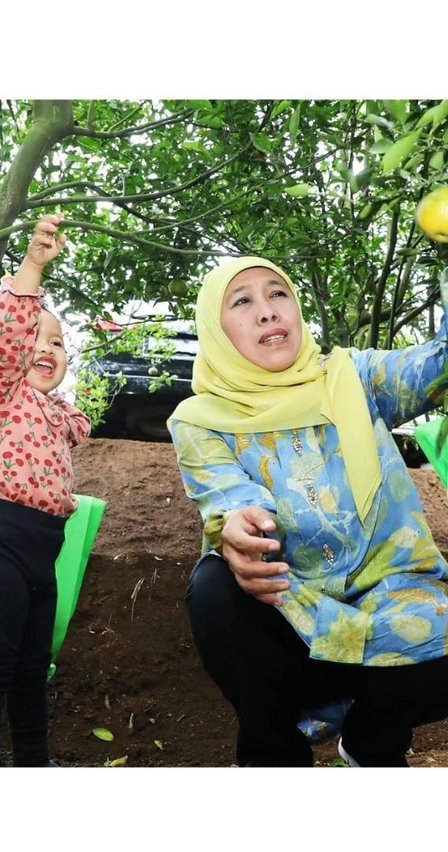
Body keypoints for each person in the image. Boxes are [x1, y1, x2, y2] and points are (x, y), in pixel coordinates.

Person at [168, 255, 448, 767]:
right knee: (215, 588)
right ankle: (275, 758)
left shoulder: (353, 378)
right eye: (243, 301)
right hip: (294, 616)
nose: (268, 312)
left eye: (278, 294)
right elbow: (225, 493)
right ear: (216, 328)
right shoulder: (198, 420)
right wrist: (238, 525)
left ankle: (372, 738)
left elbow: (441, 361)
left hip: (392, 604)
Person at [0, 214, 91, 767]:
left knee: (31, 669)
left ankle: (35, 768)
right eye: (37, 338)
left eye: (59, 342)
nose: (48, 348)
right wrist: (35, 265)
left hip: (44, 555)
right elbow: (11, 328)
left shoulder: (58, 413)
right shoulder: (0, 391)